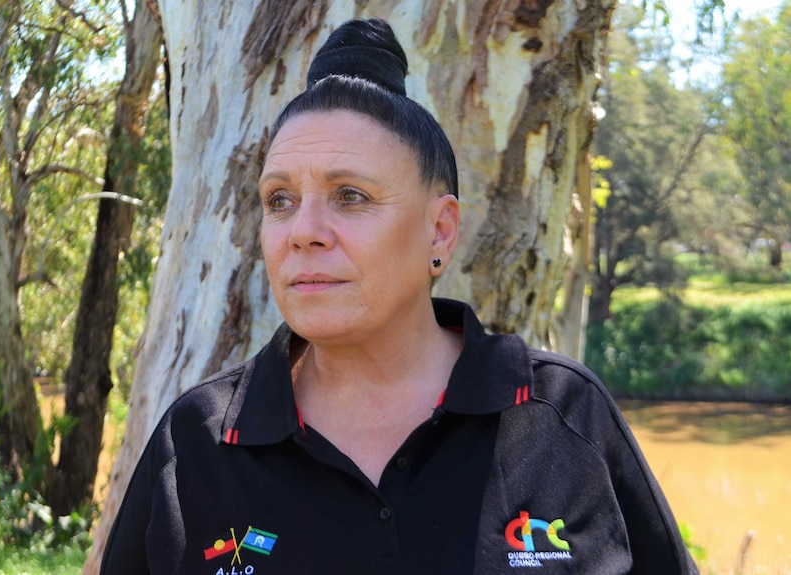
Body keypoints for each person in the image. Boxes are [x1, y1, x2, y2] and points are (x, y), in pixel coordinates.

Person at [100, 18, 698, 575]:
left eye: (350, 196)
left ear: (439, 230)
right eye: (279, 200)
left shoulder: (563, 416)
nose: (302, 231)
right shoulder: (198, 442)